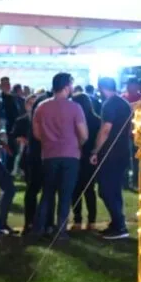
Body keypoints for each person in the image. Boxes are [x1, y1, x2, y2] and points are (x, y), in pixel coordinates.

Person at [33, 72, 88, 241]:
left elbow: (36, 133)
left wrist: (49, 141)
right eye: (71, 85)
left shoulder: (41, 106)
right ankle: (60, 231)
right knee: (65, 195)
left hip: (49, 154)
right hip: (70, 155)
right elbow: (84, 134)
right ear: (66, 87)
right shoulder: (75, 107)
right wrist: (77, 144)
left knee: (47, 193)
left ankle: (39, 228)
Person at [92, 77, 132, 239]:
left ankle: (119, 225)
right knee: (115, 189)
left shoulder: (109, 105)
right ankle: (116, 223)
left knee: (106, 190)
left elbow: (105, 130)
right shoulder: (124, 104)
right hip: (123, 151)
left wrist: (95, 150)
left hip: (110, 153)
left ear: (102, 88)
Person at [22, 91, 51, 235]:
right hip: (43, 153)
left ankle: (31, 222)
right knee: (47, 190)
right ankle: (45, 224)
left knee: (33, 189)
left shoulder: (40, 106)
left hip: (35, 153)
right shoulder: (46, 105)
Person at [71, 92, 101, 230]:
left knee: (76, 189)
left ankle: (77, 220)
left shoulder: (75, 119)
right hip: (91, 157)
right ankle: (92, 221)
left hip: (76, 155)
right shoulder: (96, 120)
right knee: (89, 189)